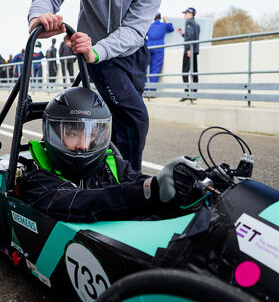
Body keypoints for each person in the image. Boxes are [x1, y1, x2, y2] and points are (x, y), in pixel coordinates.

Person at [27, 0, 168, 172]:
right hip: (95, 50)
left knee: (120, 121)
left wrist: (97, 51)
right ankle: (129, 186)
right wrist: (39, 16)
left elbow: (135, 28)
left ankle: (107, 176)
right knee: (135, 118)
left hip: (132, 52)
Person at [19, 88, 199, 222]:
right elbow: (77, 202)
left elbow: (143, 183)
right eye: (72, 134)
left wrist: (187, 187)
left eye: (90, 135)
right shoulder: (37, 177)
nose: (83, 145)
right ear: (54, 134)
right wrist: (145, 192)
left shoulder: (111, 164)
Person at [176, 7, 200, 101]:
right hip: (195, 49)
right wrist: (182, 33)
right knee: (194, 71)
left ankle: (187, 94)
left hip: (189, 50)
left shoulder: (189, 22)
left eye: (186, 13)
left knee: (185, 71)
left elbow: (190, 37)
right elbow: (191, 35)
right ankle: (194, 94)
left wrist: (189, 49)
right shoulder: (196, 22)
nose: (184, 15)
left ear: (191, 14)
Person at [146, 13, 174, 85]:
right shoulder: (163, 25)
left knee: (145, 67)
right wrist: (166, 20)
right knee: (156, 68)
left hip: (148, 47)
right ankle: (152, 90)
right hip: (158, 47)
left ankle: (145, 89)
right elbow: (171, 28)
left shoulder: (149, 26)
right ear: (160, 18)